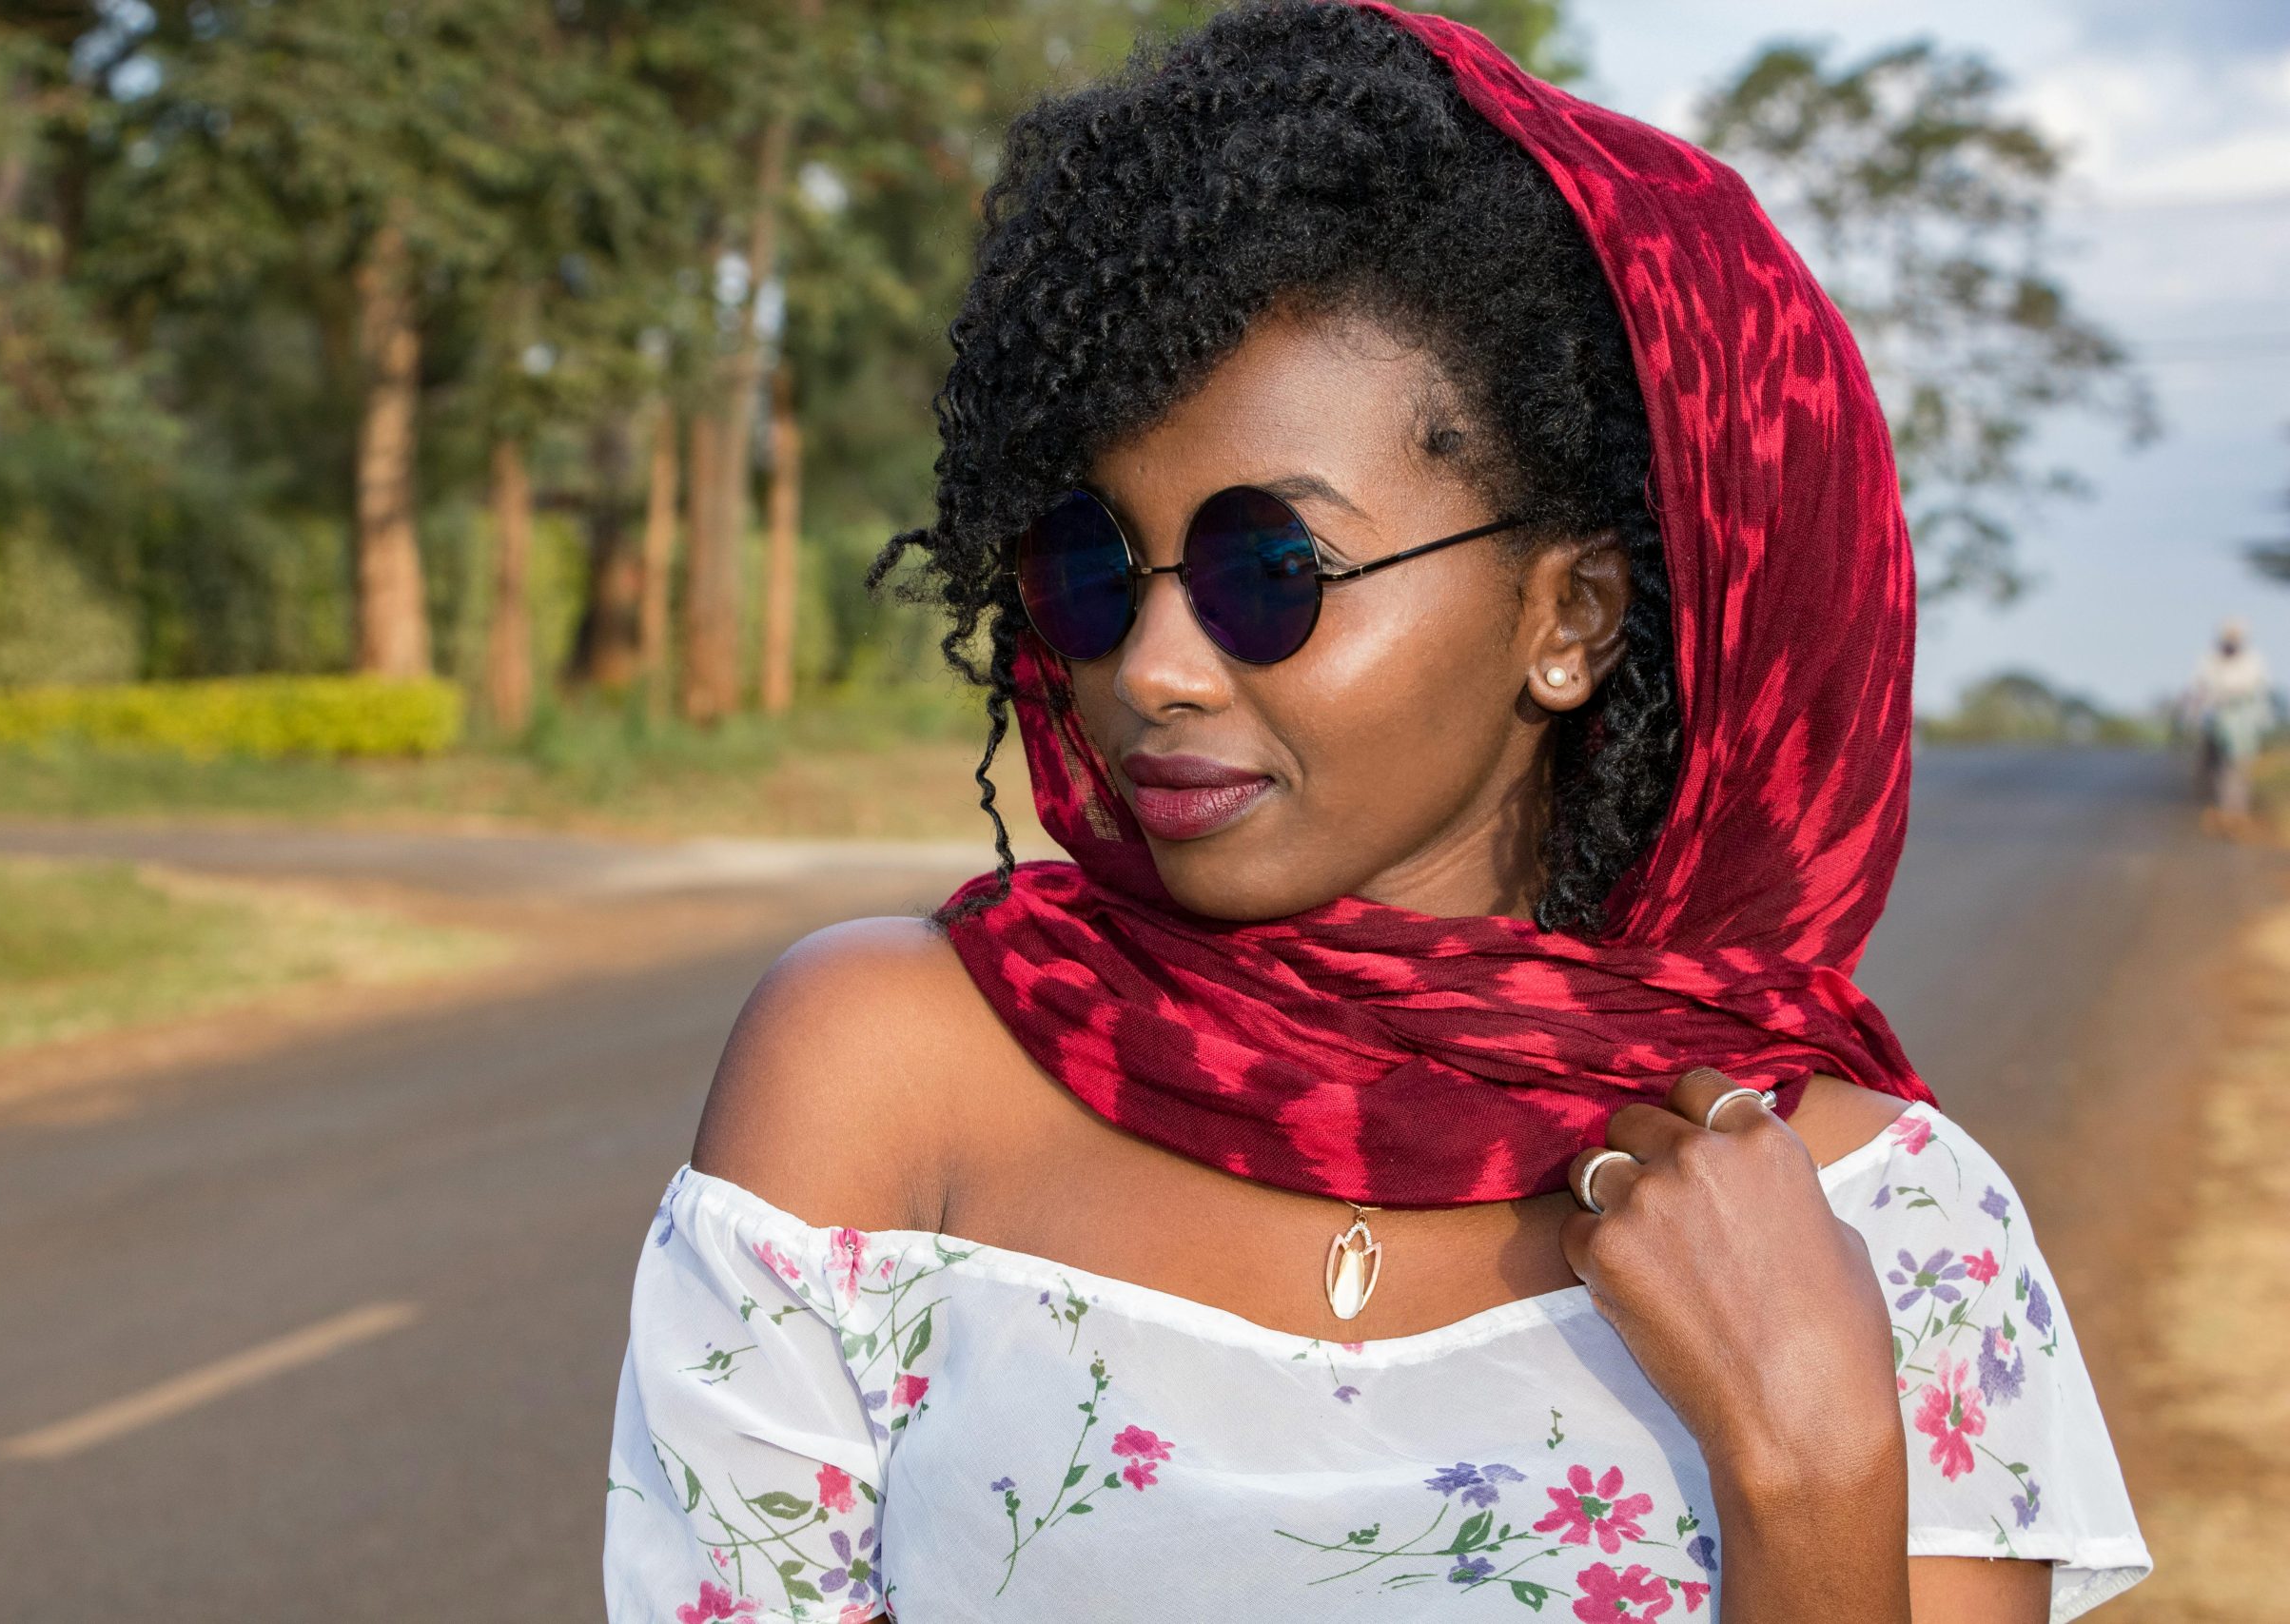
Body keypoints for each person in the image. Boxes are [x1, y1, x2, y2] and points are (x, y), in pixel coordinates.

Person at [603, 5, 2150, 1619]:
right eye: (1088, 568)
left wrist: (1812, 1467)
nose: (1156, 667)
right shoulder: (886, 1068)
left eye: (1268, 571)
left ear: (1567, 620)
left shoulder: (1877, 1219)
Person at [2184, 616, 2272, 825]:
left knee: (2238, 767)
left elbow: (2258, 689)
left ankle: (2235, 811)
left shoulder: (2253, 661)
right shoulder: (2209, 660)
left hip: (2242, 724)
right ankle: (2221, 805)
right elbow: (2199, 688)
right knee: (2210, 765)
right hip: (2213, 720)